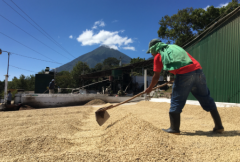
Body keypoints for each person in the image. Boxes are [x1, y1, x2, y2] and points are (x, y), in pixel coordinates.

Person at [145, 39, 224, 135]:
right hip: (198, 72)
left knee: (176, 100)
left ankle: (174, 128)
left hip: (184, 74)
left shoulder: (158, 55)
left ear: (154, 48)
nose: (151, 54)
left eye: (151, 52)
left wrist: (149, 88)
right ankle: (219, 126)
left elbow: (156, 77)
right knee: (206, 98)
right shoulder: (175, 48)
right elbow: (185, 62)